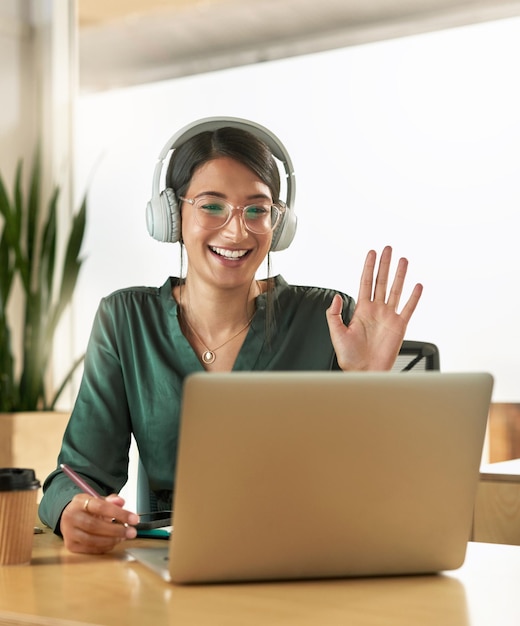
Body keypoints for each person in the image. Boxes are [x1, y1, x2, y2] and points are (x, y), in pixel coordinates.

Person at [39, 117, 423, 554]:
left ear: (278, 224)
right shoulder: (127, 319)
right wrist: (73, 509)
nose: (237, 230)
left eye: (257, 209)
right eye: (211, 205)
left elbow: (378, 490)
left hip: (309, 555)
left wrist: (371, 384)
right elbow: (78, 473)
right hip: (179, 561)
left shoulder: (327, 317)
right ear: (170, 215)